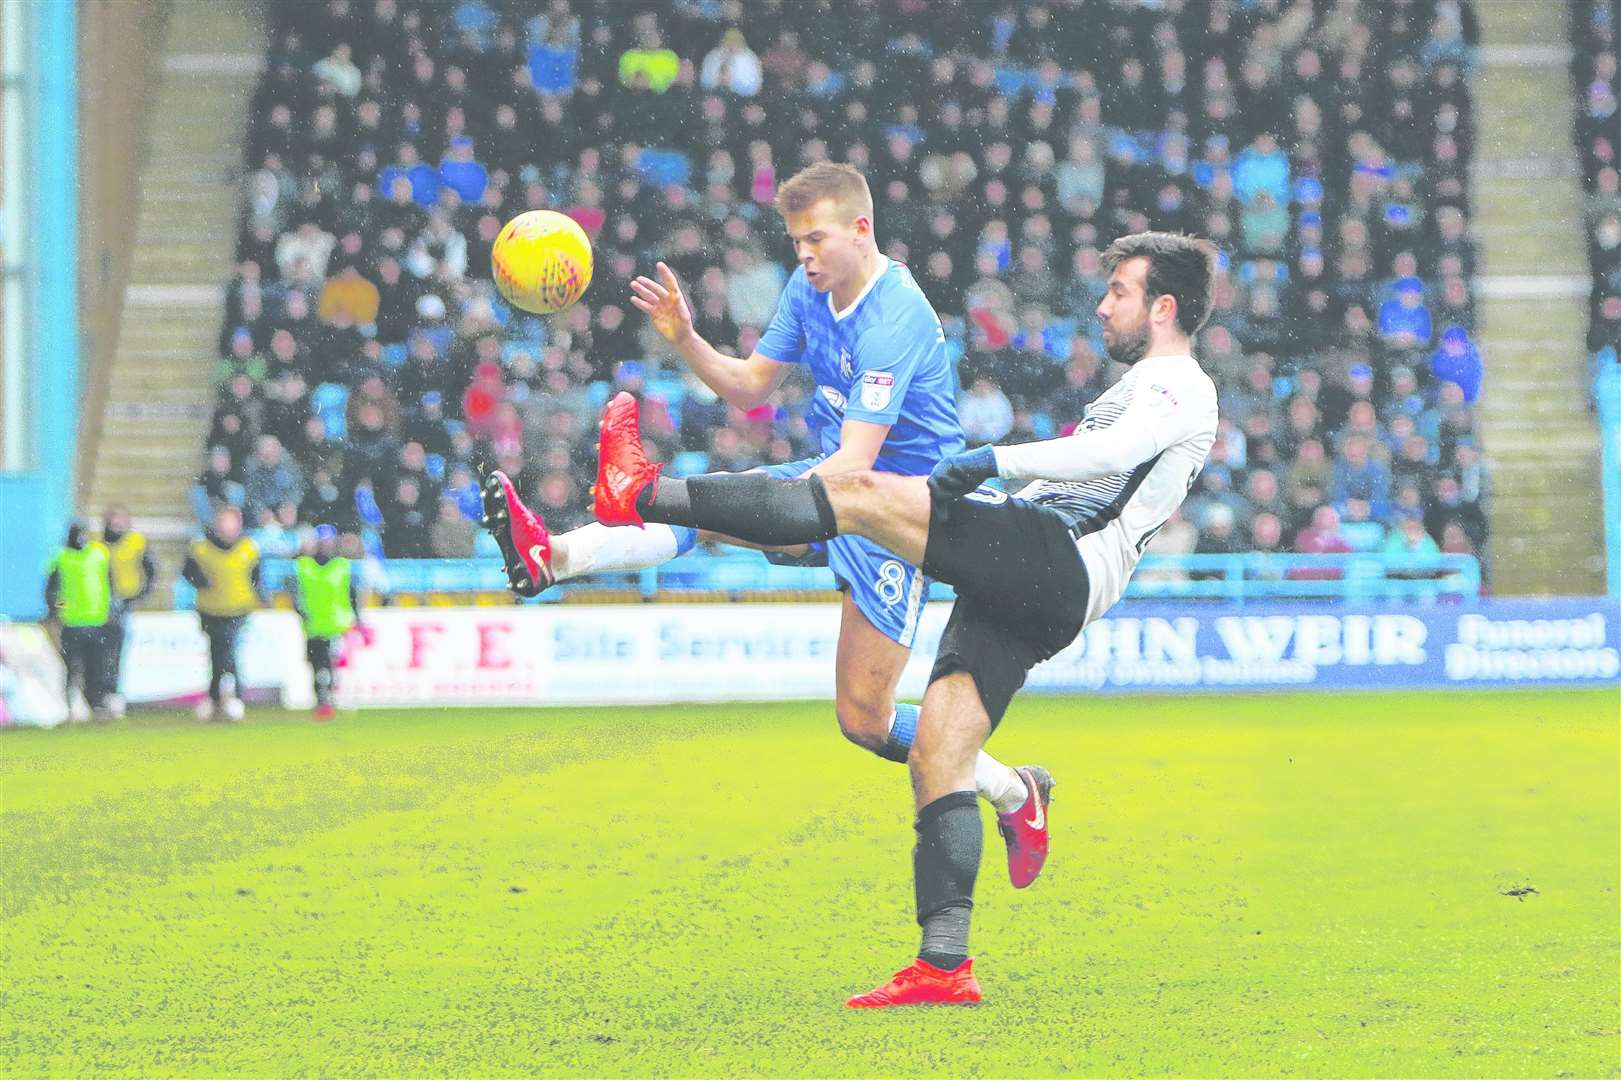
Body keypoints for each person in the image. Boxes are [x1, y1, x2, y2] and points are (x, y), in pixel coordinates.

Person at [589, 232, 1220, 1006]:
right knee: (937, 753)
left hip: (1053, 560)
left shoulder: (1179, 383)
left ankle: (642, 491)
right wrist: (985, 496)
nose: (1102, 304)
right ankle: (945, 965)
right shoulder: (1154, 384)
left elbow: (1106, 456)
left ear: (1162, 307)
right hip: (1043, 583)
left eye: (1119, 290)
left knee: (853, 488)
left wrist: (993, 462)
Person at [482, 161, 1049, 884]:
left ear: (861, 230)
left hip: (900, 512)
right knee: (712, 510)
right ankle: (550, 559)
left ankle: (1014, 791)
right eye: (795, 243)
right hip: (841, 481)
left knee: (864, 719)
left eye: (815, 240)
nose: (803, 255)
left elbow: (852, 467)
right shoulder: (808, 286)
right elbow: (750, 387)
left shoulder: (895, 317)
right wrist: (684, 336)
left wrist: (760, 500)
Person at [182, 505, 263, 721]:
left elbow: (256, 576)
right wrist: (203, 582)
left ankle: (230, 697)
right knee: (217, 652)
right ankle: (219, 697)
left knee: (228, 651)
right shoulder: (200, 548)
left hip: (238, 608)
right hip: (210, 609)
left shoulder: (248, 548)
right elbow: (188, 573)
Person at [44, 522, 114, 722]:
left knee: (96, 667)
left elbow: (109, 583)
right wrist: (57, 610)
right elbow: (52, 590)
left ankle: (96, 706)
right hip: (72, 622)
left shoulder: (99, 554)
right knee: (73, 667)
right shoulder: (62, 557)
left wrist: (110, 609)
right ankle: (70, 707)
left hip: (97, 620)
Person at [288, 525, 360, 721]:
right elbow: (295, 594)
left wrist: (357, 619)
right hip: (314, 626)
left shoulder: (341, 566)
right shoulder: (303, 565)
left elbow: (352, 595)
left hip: (336, 625)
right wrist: (302, 613)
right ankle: (322, 700)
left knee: (329, 665)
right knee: (317, 664)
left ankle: (327, 700)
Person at [101, 505, 156, 718]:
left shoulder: (136, 543)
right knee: (100, 653)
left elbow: (151, 572)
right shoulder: (98, 543)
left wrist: (137, 596)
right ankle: (100, 695)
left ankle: (113, 695)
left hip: (124, 605)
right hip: (98, 606)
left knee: (116, 652)